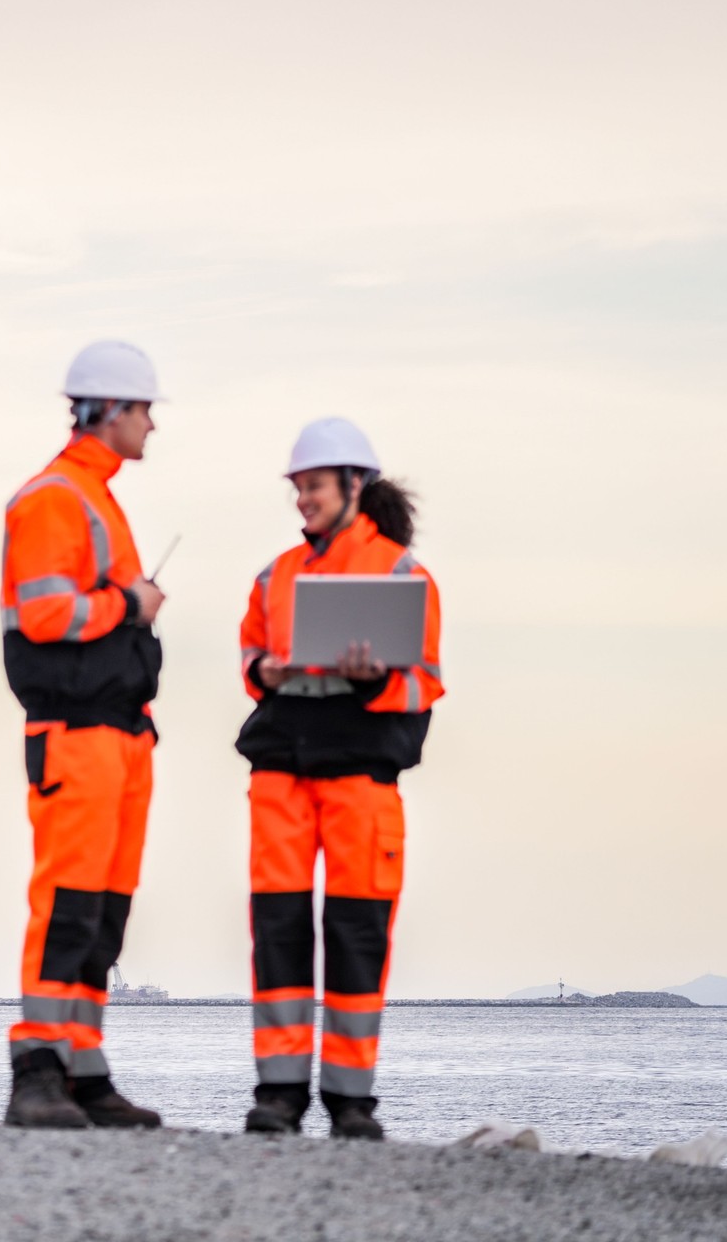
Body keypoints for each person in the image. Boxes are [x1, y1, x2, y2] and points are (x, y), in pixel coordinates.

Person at [234, 418, 443, 1140]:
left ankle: (352, 1103)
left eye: (313, 487)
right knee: (280, 933)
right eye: (297, 489)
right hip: (282, 773)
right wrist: (265, 669)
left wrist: (376, 674)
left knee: (357, 934)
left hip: (360, 776)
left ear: (355, 486)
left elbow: (424, 686)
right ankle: (279, 1097)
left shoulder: (402, 574)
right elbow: (250, 660)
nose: (302, 501)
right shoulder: (275, 575)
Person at [0, 340, 169, 1129]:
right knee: (66, 901)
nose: (152, 428)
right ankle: (36, 1069)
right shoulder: (54, 499)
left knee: (103, 913)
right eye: (145, 410)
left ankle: (82, 1067)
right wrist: (128, 606)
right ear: (110, 409)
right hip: (76, 734)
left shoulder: (97, 500)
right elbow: (43, 615)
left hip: (122, 738)